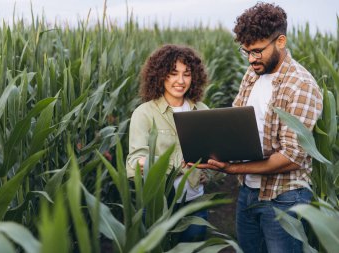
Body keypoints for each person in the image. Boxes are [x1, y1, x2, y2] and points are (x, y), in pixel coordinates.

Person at [192, 2, 323, 253]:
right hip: (248, 190)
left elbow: (291, 158)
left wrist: (232, 168)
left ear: (281, 41)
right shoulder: (252, 74)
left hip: (284, 197)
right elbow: (235, 126)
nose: (251, 59)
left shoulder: (301, 85)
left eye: (257, 51)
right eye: (246, 51)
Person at [126, 44, 210, 242]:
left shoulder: (202, 110)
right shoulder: (144, 113)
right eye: (173, 73)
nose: (180, 81)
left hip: (195, 202)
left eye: (187, 74)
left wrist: (208, 172)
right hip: (158, 205)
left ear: (194, 77)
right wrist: (175, 165)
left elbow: (211, 151)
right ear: (160, 75)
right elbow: (134, 162)